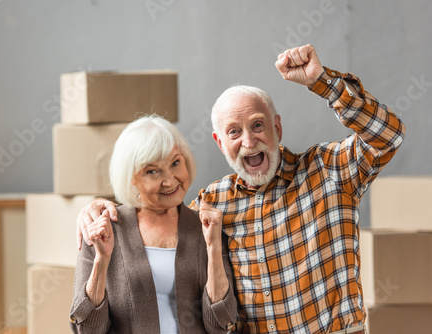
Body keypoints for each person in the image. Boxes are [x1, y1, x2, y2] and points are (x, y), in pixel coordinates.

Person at [76, 44, 405, 334]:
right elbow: (153, 214)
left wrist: (323, 82)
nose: (249, 142)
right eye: (234, 132)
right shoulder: (211, 203)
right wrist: (94, 208)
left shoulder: (329, 170)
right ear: (220, 144)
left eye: (258, 125)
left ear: (276, 127)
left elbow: (388, 135)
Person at [69, 115, 237, 334]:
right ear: (131, 178)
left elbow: (222, 327)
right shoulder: (103, 229)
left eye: (175, 163)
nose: (170, 180)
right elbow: (85, 330)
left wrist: (214, 249)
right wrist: (101, 260)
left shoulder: (206, 228)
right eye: (152, 171)